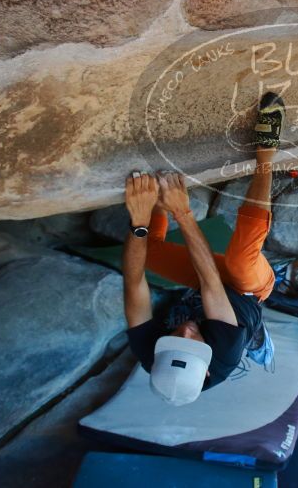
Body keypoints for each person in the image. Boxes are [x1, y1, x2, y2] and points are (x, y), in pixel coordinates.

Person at [121, 92, 285, 405]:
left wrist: (140, 219)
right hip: (247, 291)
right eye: (191, 344)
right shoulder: (224, 352)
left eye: (174, 342)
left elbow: (133, 281)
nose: (184, 333)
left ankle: (158, 195)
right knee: (240, 260)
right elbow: (211, 281)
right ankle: (266, 154)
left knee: (146, 251)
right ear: (207, 368)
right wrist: (182, 211)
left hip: (204, 289)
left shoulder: (151, 353)